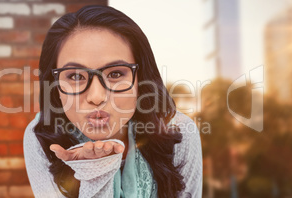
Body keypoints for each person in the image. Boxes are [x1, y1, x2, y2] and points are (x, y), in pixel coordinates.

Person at [23, 5, 203, 198]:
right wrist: (95, 172)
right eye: (75, 76)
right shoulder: (41, 138)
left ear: (140, 79)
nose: (96, 97)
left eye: (116, 74)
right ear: (55, 84)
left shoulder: (179, 132)